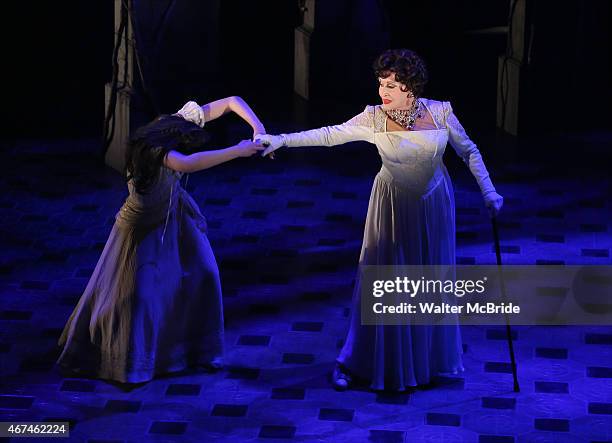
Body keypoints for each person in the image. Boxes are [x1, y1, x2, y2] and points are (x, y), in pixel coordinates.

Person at [254, 49, 503, 391]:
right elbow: (329, 134)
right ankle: (361, 360)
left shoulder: (441, 112)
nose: (383, 91)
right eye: (380, 83)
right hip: (392, 205)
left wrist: (488, 192)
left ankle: (423, 363)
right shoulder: (373, 118)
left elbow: (469, 151)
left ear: (410, 87)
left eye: (391, 84)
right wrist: (281, 140)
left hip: (433, 206)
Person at [56, 97, 266, 384]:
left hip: (175, 214)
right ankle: (129, 364)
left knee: (205, 272)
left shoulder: (175, 122)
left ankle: (199, 351)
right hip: (141, 227)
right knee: (137, 296)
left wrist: (258, 128)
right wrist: (238, 151)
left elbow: (231, 102)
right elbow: (189, 164)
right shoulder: (155, 149)